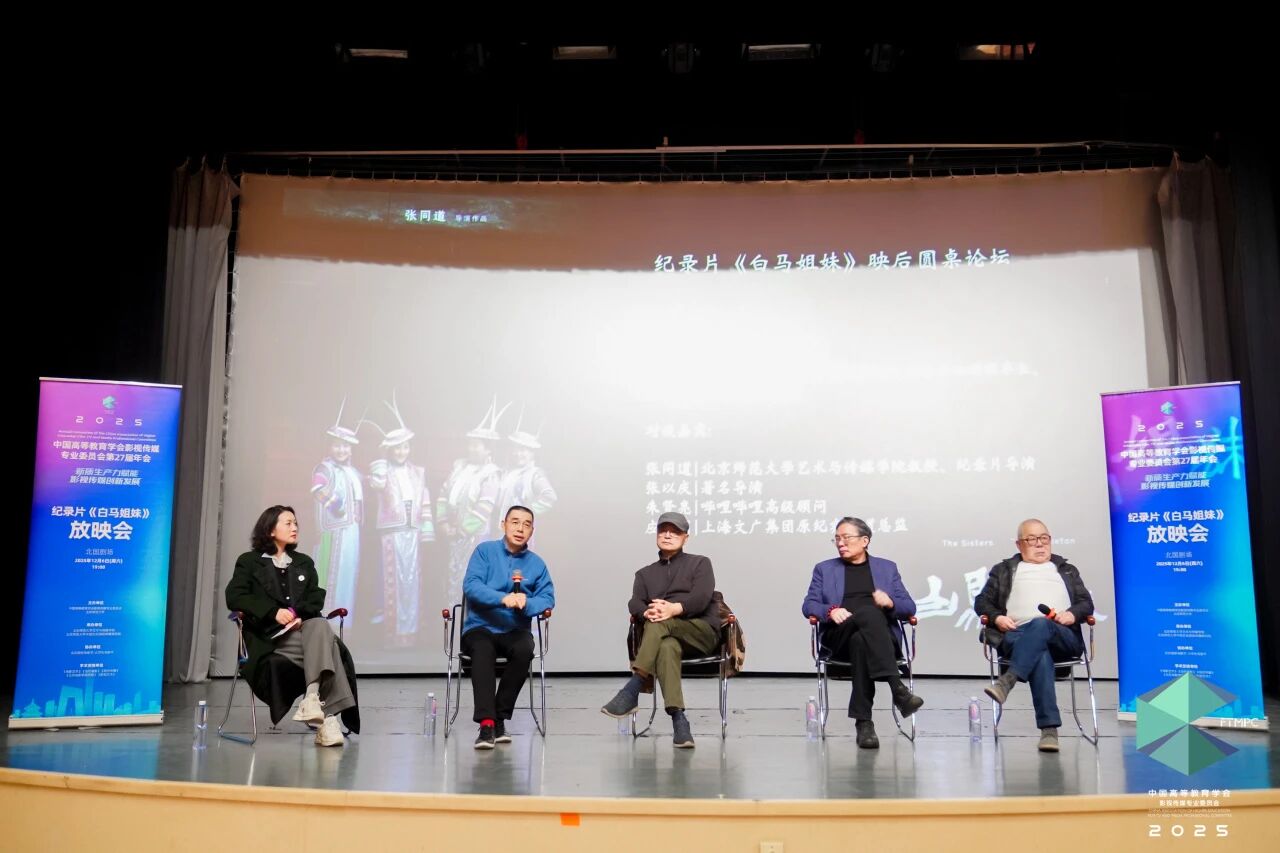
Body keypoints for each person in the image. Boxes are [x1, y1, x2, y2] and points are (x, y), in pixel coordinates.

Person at [225, 505, 358, 747]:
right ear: (270, 530)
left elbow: (316, 597)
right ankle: (327, 719)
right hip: (268, 639)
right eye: (288, 523)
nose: (294, 527)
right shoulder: (249, 562)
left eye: (295, 523)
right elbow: (235, 597)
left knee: (318, 626)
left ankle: (312, 700)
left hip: (303, 633)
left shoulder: (303, 562)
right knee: (330, 646)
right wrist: (273, 612)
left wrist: (297, 615)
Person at [801, 516, 923, 749]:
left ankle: (864, 722)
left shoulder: (887, 568)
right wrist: (830, 611)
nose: (841, 543)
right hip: (839, 637)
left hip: (878, 641)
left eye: (846, 537)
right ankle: (898, 689)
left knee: (862, 638)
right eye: (837, 539)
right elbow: (809, 605)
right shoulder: (824, 569)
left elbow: (909, 607)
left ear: (865, 540)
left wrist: (890, 603)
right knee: (868, 614)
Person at [600, 512, 719, 748]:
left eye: (675, 531)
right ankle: (679, 720)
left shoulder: (700, 563)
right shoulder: (644, 574)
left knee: (659, 622)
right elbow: (635, 602)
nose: (667, 535)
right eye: (663, 530)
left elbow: (702, 597)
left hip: (700, 632)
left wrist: (673, 609)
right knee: (665, 645)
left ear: (686, 537)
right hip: (665, 637)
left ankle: (633, 687)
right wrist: (646, 612)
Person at [976, 518, 1094, 753]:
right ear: (1019, 544)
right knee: (1040, 653)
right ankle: (1049, 730)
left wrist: (1072, 614)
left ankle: (1008, 681)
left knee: (1041, 624)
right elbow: (982, 602)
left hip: (1062, 636)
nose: (1040, 544)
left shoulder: (1066, 570)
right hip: (1016, 635)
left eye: (1044, 538)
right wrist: (997, 618)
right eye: (1031, 539)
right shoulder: (1004, 570)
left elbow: (1086, 603)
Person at [461, 505, 556, 749]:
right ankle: (486, 724)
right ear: (503, 524)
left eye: (526, 524)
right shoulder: (485, 551)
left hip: (514, 630)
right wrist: (502, 599)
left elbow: (547, 598)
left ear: (532, 531)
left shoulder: (537, 564)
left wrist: (528, 603)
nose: (520, 528)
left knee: (524, 649)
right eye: (515, 522)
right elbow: (471, 586)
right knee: (483, 649)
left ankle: (499, 718)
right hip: (480, 627)